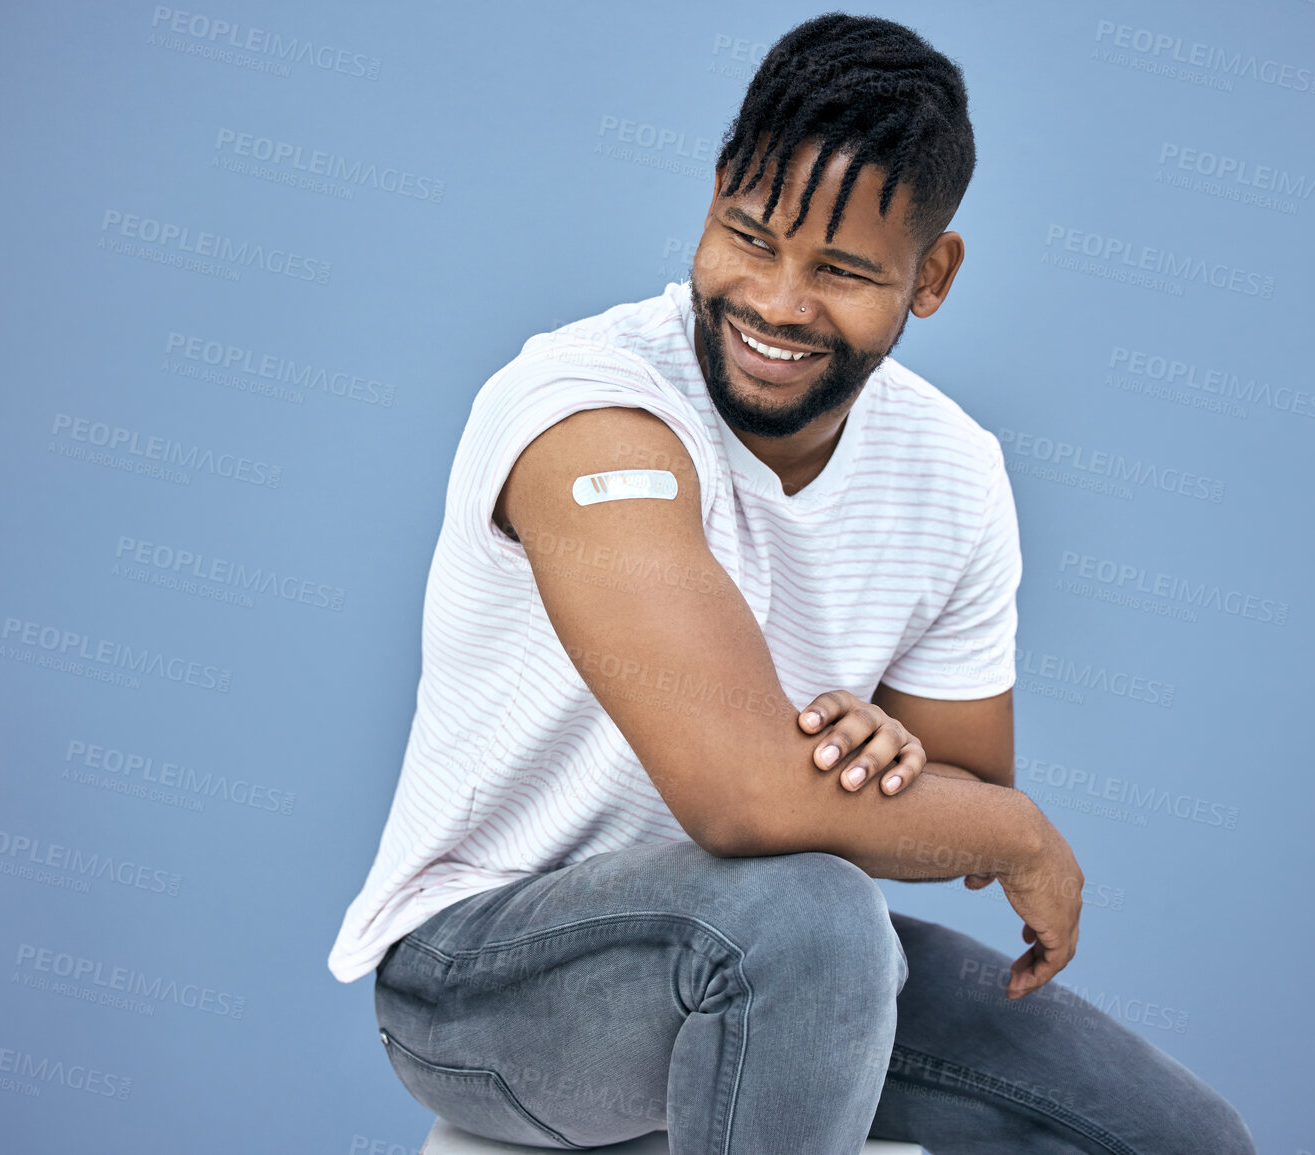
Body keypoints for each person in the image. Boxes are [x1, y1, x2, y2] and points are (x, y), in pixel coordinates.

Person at [329, 12, 1256, 1154]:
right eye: (751, 238)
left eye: (843, 271)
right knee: (813, 914)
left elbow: (954, 779)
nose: (776, 302)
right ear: (717, 191)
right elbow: (750, 800)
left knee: (1175, 1140)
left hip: (780, 964)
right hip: (480, 980)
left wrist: (903, 765)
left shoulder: (954, 472)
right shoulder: (584, 413)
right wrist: (1015, 833)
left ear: (934, 275)